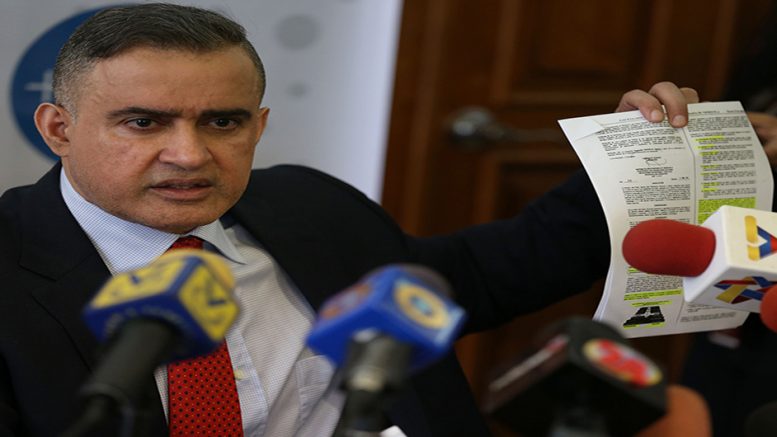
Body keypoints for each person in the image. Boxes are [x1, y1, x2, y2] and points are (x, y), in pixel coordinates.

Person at [0, 3, 699, 437]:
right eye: (143, 122)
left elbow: (484, 275)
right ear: (58, 128)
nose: (189, 154)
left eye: (223, 122)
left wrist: (638, 159)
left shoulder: (308, 205)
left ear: (259, 126)